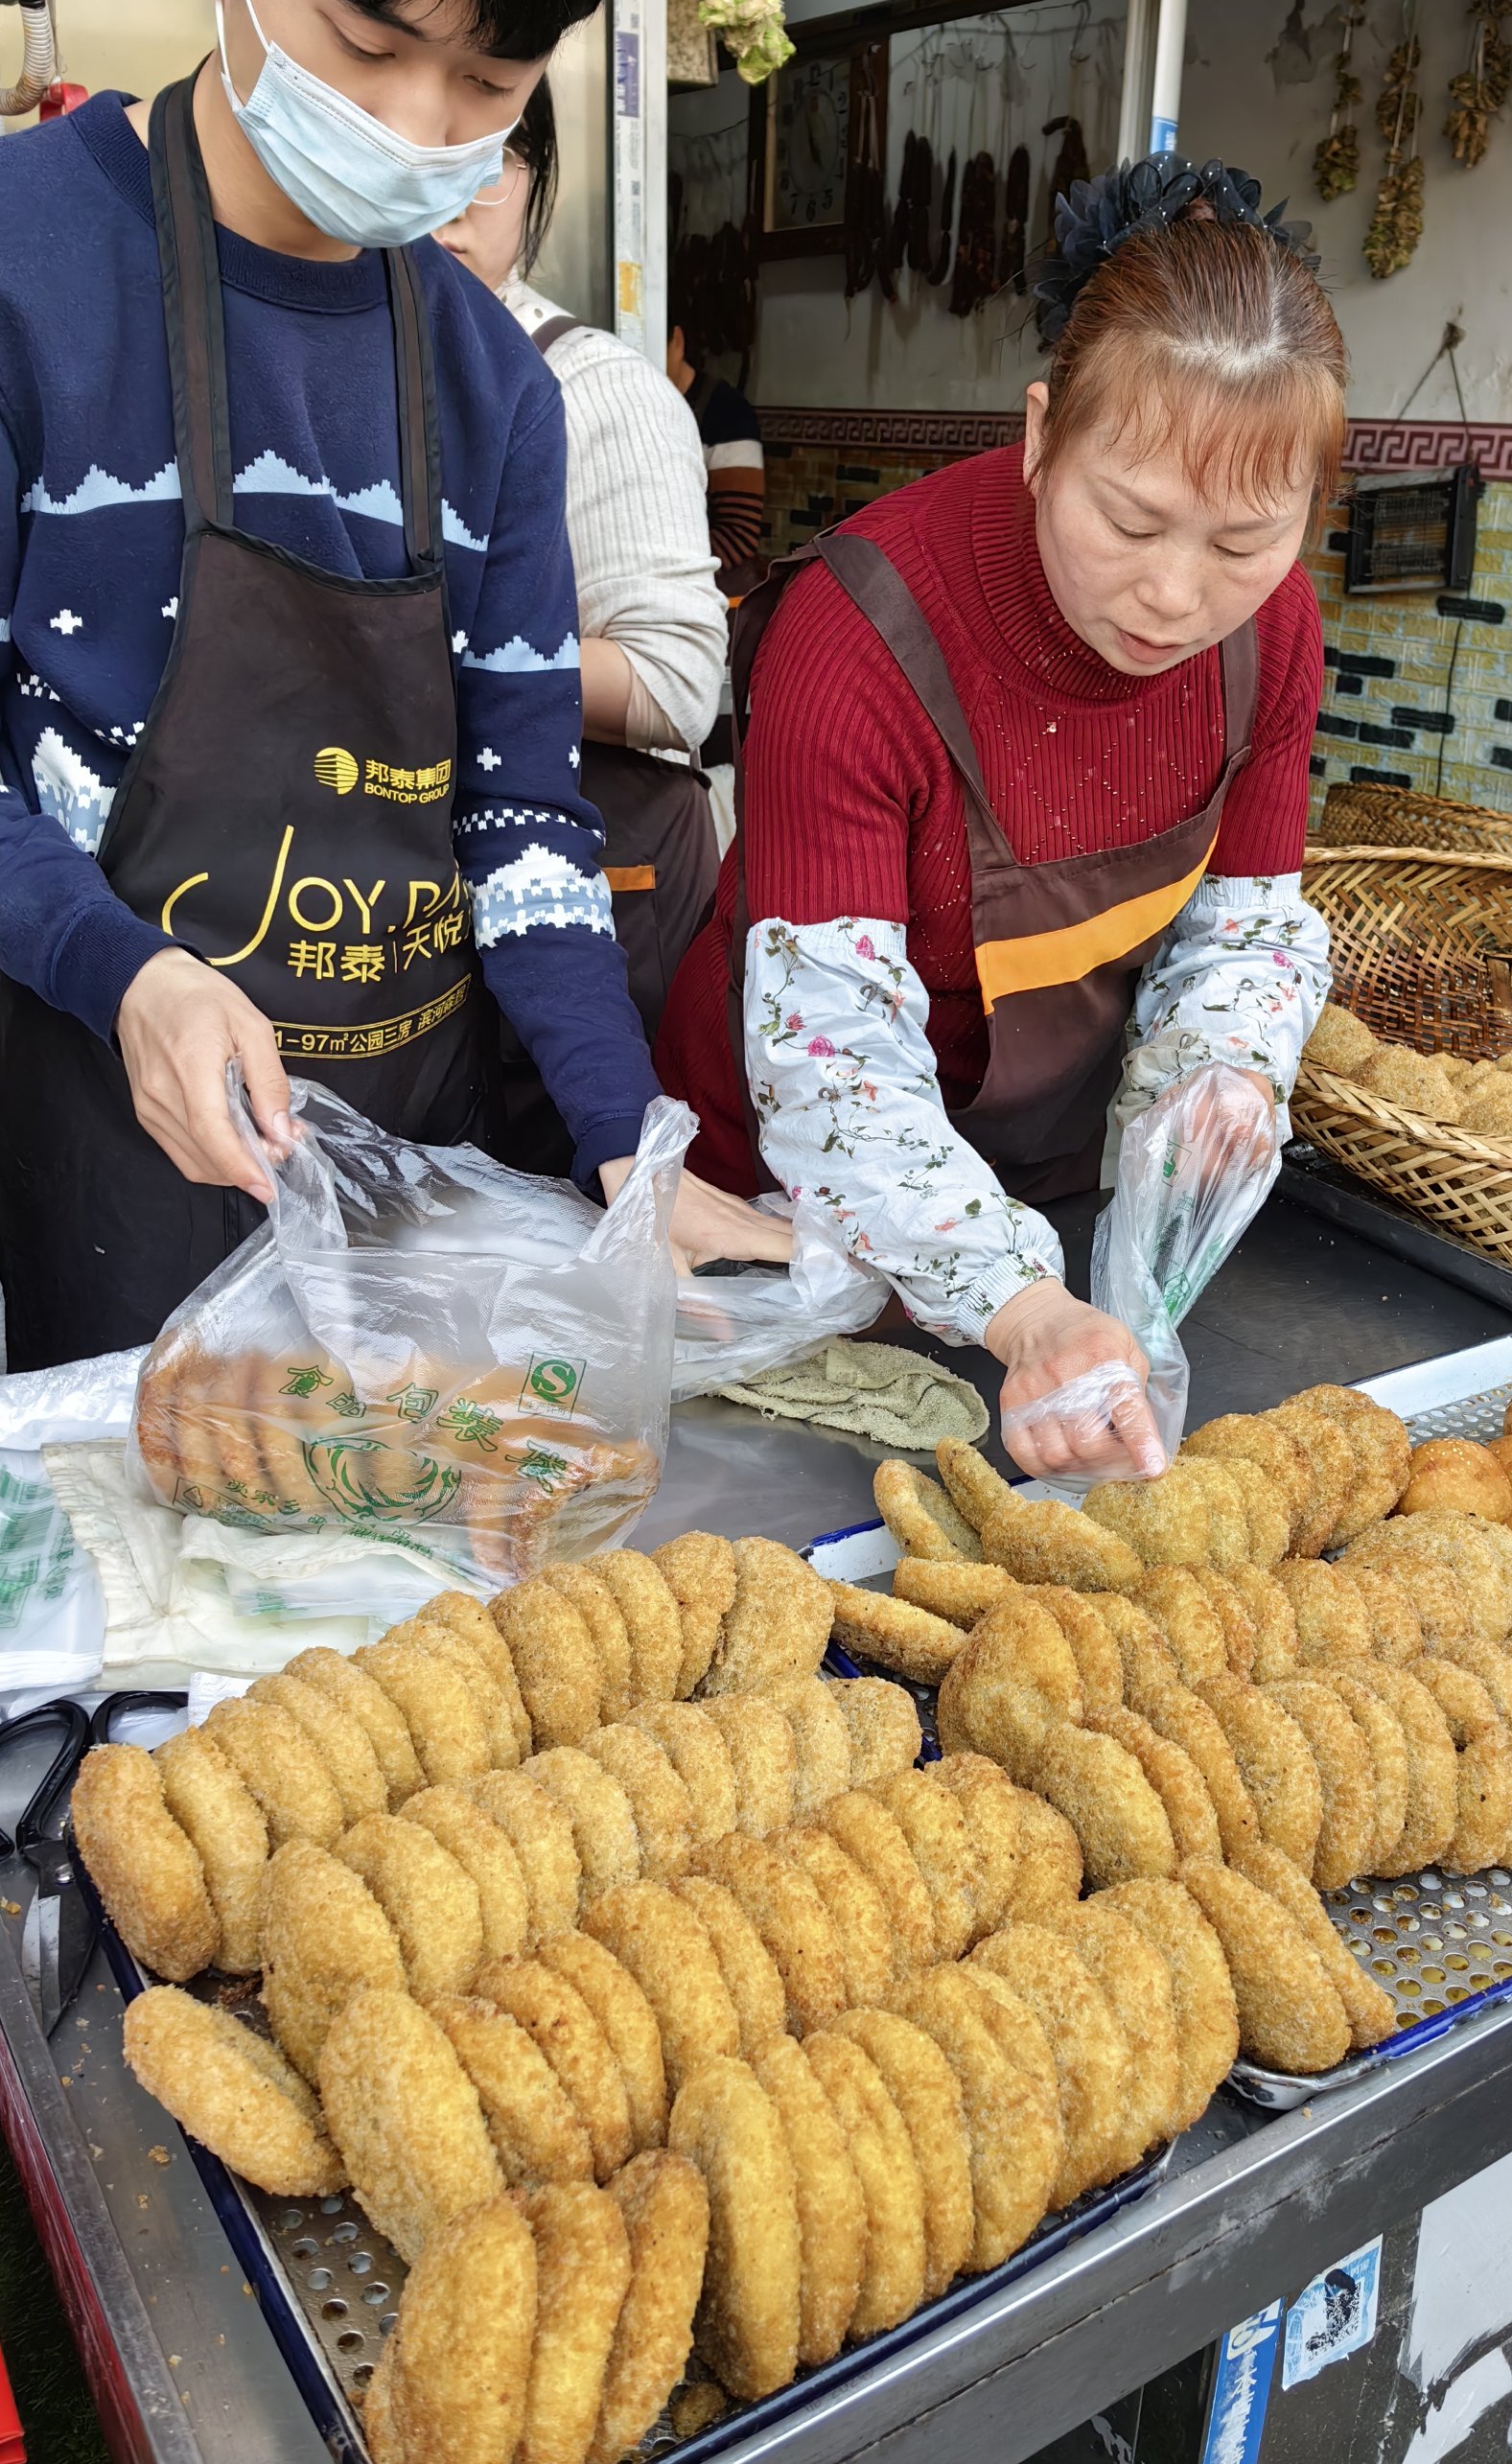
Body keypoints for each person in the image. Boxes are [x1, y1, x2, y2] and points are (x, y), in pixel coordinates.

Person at [0, 0, 784, 1370]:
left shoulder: (494, 388)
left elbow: (523, 811)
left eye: (492, 80)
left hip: (418, 1140)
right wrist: (122, 969)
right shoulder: (6, 271)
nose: (421, 128)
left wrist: (625, 1146)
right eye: (369, 42)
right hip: (116, 1125)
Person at [656, 155, 1340, 1479]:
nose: (1174, 594)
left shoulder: (1277, 634)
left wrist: (1225, 1080)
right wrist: (1024, 1307)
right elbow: (833, 1057)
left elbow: (1245, 926)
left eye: (1243, 542)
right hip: (780, 1219)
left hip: (1042, 1195)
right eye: (1129, 519)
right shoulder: (858, 634)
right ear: (1040, 435)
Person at [435, 79, 726, 1163]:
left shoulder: (593, 389)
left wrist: (434, 656)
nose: (456, 196)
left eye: (497, 157)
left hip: (602, 897)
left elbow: (677, 684)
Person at [665, 314, 765, 593]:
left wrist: (658, 569)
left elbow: (739, 535)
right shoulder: (630, 409)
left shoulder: (727, 414)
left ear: (677, 341)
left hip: (710, 596)